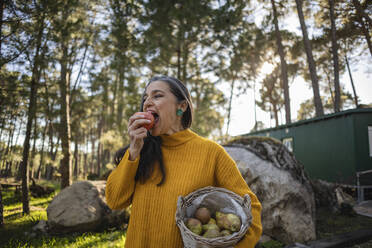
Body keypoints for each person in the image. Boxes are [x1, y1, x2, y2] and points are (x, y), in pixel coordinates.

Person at [105, 75, 262, 247]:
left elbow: (251, 209)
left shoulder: (211, 152)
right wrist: (134, 150)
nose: (147, 102)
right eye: (145, 98)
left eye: (157, 96)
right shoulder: (140, 151)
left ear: (182, 106)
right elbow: (115, 200)